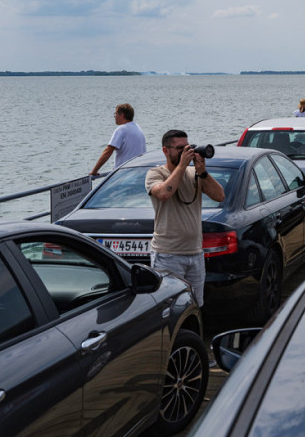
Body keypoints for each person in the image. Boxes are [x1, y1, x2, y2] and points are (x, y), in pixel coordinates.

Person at [146, 130, 224, 306]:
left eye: (187, 147)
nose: (184, 152)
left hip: (195, 253)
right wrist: (182, 166)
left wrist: (202, 171)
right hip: (168, 255)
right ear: (166, 151)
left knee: (195, 306)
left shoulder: (193, 173)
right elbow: (165, 194)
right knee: (171, 307)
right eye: (180, 148)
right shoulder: (155, 174)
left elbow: (220, 196)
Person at [90, 103, 147, 175]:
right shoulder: (137, 128)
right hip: (139, 171)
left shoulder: (122, 129)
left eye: (116, 113)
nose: (114, 116)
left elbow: (107, 152)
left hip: (125, 174)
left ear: (122, 115)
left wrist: (94, 171)